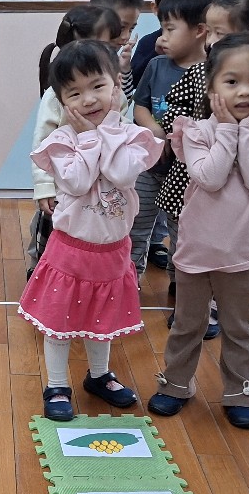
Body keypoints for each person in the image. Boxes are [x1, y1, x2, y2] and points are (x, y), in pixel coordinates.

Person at [147, 33, 249, 430]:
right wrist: (229, 131)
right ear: (212, 86)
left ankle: (239, 391)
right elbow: (210, 178)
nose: (244, 91)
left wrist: (248, 131)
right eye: (232, 81)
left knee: (238, 328)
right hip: (197, 250)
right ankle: (176, 383)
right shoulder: (195, 132)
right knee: (188, 325)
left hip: (244, 254)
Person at [18, 40, 165, 422]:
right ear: (61, 102)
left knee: (104, 319)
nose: (88, 99)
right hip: (70, 250)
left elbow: (122, 174)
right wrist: (87, 137)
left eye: (97, 86)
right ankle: (56, 385)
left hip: (113, 250)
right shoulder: (61, 141)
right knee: (59, 322)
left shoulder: (131, 135)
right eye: (75, 93)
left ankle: (99, 376)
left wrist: (108, 130)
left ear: (116, 85)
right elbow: (78, 181)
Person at [154, 0, 249, 336]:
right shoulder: (199, 73)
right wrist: (179, 133)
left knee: (232, 255)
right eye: (208, 32)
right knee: (185, 240)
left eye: (219, 33)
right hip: (196, 175)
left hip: (243, 196)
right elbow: (174, 108)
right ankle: (187, 298)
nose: (209, 41)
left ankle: (217, 306)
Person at [27, 5, 124, 277]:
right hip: (66, 187)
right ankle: (42, 271)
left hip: (105, 187)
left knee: (96, 240)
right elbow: (42, 144)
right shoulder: (56, 96)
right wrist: (44, 187)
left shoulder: (114, 94)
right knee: (54, 237)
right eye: (107, 44)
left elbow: (124, 135)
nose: (89, 100)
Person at [130, 0, 214, 281]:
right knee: (136, 224)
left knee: (183, 230)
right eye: (162, 29)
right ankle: (129, 280)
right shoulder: (157, 66)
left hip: (187, 174)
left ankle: (180, 284)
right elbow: (140, 107)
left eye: (170, 29)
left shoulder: (213, 73)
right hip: (149, 166)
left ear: (199, 30)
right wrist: (155, 130)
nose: (162, 37)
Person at [130, 0, 204, 88]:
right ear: (156, 8)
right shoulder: (148, 43)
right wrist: (156, 54)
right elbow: (135, 83)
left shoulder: (210, 48)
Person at [89, 0, 146, 99]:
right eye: (121, 27)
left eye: (131, 29)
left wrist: (124, 69)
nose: (126, 36)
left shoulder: (114, 58)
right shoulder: (80, 57)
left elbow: (125, 101)